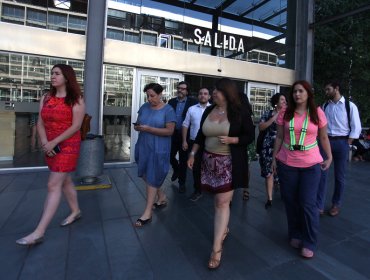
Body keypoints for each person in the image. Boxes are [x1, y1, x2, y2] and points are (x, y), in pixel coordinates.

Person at [187, 78, 254, 269]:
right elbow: (201, 134)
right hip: (208, 162)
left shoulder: (240, 112)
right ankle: (222, 230)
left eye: (217, 90)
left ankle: (216, 249)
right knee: (215, 201)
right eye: (213, 90)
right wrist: (192, 153)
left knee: (221, 202)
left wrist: (233, 140)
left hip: (229, 163)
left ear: (227, 92)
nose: (213, 93)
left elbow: (250, 136)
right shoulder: (209, 110)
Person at [16, 64, 85, 246]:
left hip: (67, 145)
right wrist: (46, 142)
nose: (52, 76)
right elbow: (40, 122)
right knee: (65, 180)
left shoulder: (76, 99)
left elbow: (76, 127)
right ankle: (75, 210)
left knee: (53, 184)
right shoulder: (46, 97)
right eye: (51, 73)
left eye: (57, 73)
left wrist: (53, 142)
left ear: (67, 77)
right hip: (50, 145)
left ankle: (39, 232)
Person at [272, 80, 332, 259]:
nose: (297, 94)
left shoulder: (317, 112)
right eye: (294, 92)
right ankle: (295, 233)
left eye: (300, 91)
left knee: (307, 203)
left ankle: (309, 241)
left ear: (308, 93)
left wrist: (329, 157)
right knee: (290, 201)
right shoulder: (285, 112)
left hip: (311, 164)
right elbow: (280, 137)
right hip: (287, 162)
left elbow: (323, 137)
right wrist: (274, 159)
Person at [133, 83, 176, 227]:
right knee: (145, 174)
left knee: (152, 177)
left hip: (159, 149)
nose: (149, 98)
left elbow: (170, 131)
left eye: (152, 96)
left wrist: (149, 128)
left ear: (160, 94)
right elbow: (139, 123)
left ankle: (147, 213)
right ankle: (162, 196)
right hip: (144, 146)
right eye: (147, 95)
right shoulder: (144, 107)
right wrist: (138, 126)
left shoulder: (168, 110)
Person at [318, 80, 361, 217]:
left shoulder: (350, 106)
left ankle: (336, 204)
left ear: (336, 89)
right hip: (326, 142)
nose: (326, 92)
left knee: (339, 176)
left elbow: (356, 127)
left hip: (342, 142)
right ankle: (319, 205)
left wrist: (347, 143)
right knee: (321, 174)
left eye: (328, 89)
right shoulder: (325, 106)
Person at [182, 87, 211, 201]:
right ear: (198, 96)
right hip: (194, 142)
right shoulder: (191, 109)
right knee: (196, 168)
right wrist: (184, 140)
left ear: (209, 96)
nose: (202, 95)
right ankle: (197, 190)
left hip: (210, 142)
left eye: (205, 93)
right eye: (200, 93)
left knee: (210, 167)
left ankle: (212, 188)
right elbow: (185, 125)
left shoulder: (214, 109)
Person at [258, 93, 287, 209]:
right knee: (269, 172)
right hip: (268, 145)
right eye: (282, 99)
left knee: (284, 172)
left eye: (285, 100)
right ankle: (269, 198)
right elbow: (261, 127)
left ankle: (284, 193)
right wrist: (275, 117)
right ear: (276, 102)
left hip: (283, 145)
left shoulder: (289, 115)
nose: (284, 101)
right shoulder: (268, 113)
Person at [168, 81, 197, 193]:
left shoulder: (193, 102)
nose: (180, 90)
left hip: (186, 135)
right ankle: (176, 169)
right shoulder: (171, 102)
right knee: (170, 156)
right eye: (179, 88)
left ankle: (182, 183)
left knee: (184, 160)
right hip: (172, 133)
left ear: (187, 91)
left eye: (183, 89)